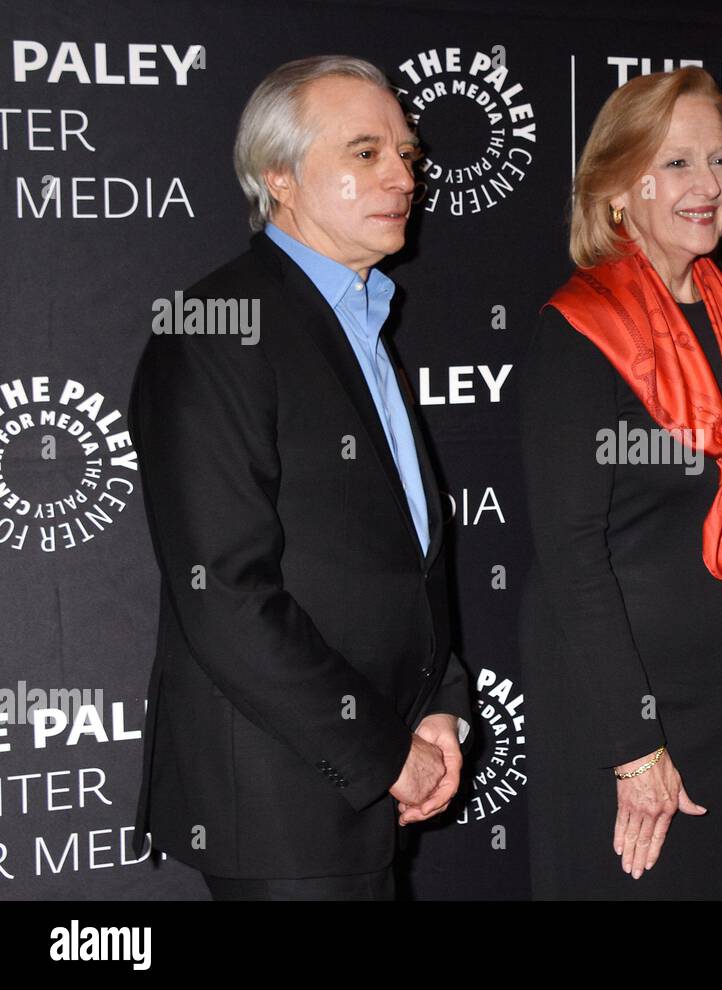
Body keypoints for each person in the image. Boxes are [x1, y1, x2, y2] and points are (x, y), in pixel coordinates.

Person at [129, 55, 471, 901]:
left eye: (407, 154)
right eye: (364, 152)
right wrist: (384, 752)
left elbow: (403, 557)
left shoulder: (361, 320)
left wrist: (439, 705)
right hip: (281, 798)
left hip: (375, 768)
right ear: (278, 176)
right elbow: (227, 596)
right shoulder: (215, 330)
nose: (402, 175)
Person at [518, 67, 722, 899]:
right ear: (615, 188)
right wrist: (635, 745)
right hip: (623, 704)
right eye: (676, 164)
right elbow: (570, 552)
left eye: (720, 160)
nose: (708, 185)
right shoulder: (577, 331)